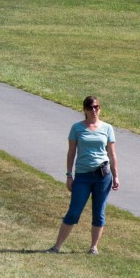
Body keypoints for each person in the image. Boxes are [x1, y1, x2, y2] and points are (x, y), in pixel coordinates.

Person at [47, 96, 120, 254]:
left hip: (103, 175)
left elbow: (112, 154)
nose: (94, 110)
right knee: (74, 211)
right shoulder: (77, 128)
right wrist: (69, 175)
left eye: (96, 107)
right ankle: (57, 247)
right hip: (83, 175)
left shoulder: (107, 128)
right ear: (85, 110)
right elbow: (71, 152)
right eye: (90, 107)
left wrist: (115, 176)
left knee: (99, 212)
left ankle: (93, 247)